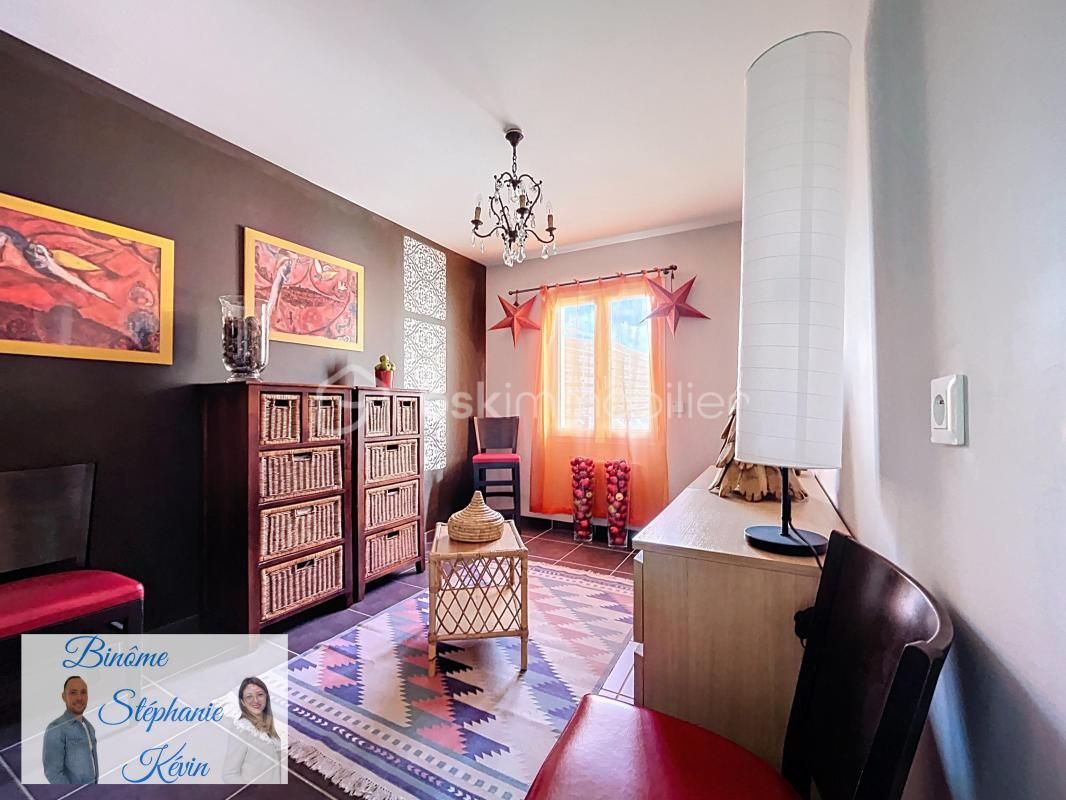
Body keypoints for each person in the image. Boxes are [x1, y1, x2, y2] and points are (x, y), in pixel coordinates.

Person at [222, 677, 284, 784]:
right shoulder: (242, 729)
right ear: (242, 702)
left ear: (266, 697)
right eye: (249, 697)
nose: (255, 700)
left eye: (260, 695)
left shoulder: (270, 725)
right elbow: (229, 774)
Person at [43, 676, 99, 784]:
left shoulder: (89, 727)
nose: (79, 698)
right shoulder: (56, 728)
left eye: (83, 692)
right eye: (73, 693)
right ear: (64, 697)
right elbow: (53, 773)